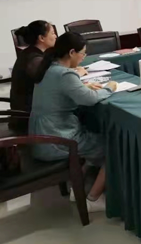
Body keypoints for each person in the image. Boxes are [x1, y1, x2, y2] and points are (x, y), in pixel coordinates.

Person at [29, 32, 117, 213]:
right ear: (71, 52)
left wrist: (83, 87)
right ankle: (93, 199)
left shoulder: (49, 68)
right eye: (83, 53)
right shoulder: (65, 74)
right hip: (57, 140)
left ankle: (75, 190)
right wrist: (109, 88)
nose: (83, 57)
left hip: (41, 136)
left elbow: (62, 93)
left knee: (92, 137)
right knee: (116, 148)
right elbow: (90, 99)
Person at [9, 21, 58, 121]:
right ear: (41, 38)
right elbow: (54, 82)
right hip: (30, 116)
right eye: (52, 33)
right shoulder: (34, 59)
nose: (56, 36)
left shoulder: (31, 52)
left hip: (33, 107)